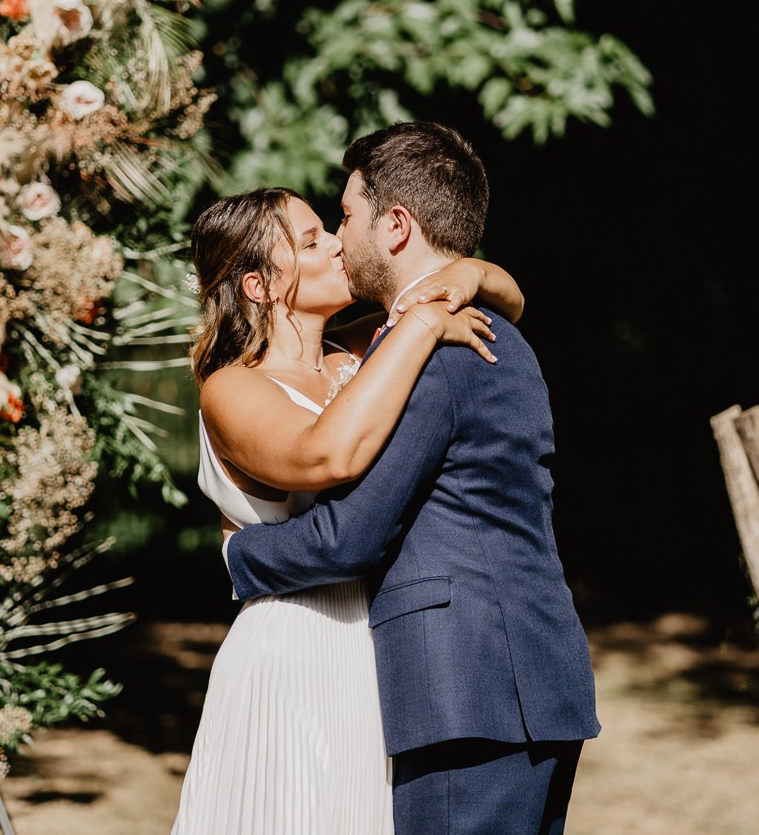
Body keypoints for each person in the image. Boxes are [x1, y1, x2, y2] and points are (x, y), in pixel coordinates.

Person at [225, 121, 599, 835]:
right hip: (526, 682)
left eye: (346, 216)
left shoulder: (427, 346)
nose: (340, 238)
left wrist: (239, 553)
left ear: (395, 226)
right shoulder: (490, 325)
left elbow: (349, 537)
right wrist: (480, 273)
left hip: (470, 693)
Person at [170, 182, 527, 835]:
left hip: (380, 643)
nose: (338, 242)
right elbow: (323, 456)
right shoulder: (231, 387)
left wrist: (469, 272)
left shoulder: (362, 353)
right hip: (295, 647)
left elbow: (512, 298)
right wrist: (420, 324)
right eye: (311, 241)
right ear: (260, 286)